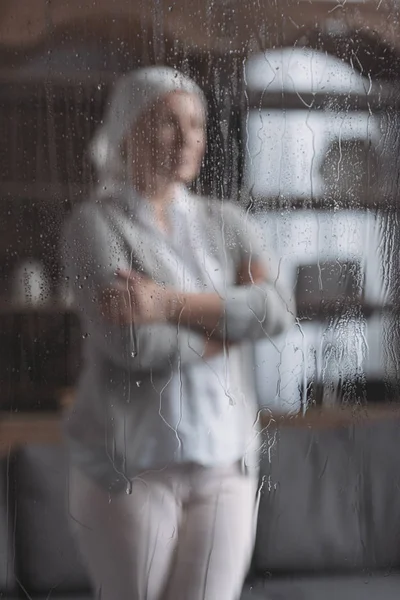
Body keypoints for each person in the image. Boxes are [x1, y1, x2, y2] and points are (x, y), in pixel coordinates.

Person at [62, 66, 295, 600]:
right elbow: (134, 344)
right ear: (127, 130)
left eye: (196, 123)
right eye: (168, 122)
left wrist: (166, 303)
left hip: (226, 465)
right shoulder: (95, 226)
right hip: (133, 470)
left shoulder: (226, 221)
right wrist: (230, 323)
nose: (188, 137)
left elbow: (277, 310)